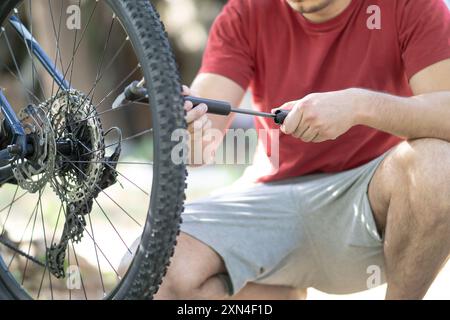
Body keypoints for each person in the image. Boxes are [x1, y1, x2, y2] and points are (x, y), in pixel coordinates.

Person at [153, 0, 450, 300]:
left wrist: (359, 105)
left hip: (373, 200)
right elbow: (198, 147)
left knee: (439, 165)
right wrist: (191, 132)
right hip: (273, 196)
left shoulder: (411, 5)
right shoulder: (246, 10)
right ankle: (279, 293)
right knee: (154, 268)